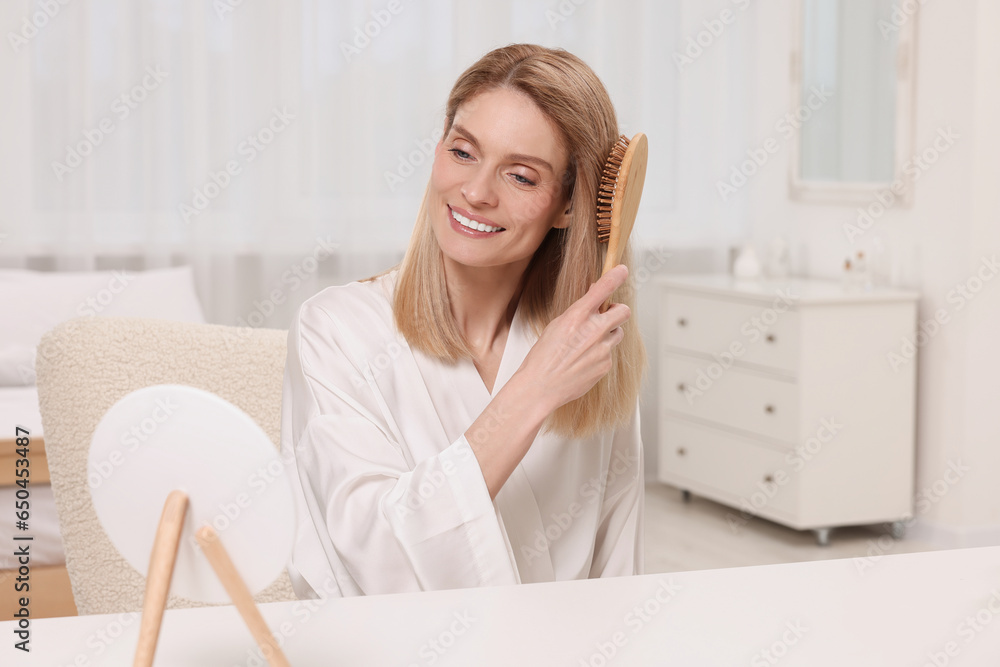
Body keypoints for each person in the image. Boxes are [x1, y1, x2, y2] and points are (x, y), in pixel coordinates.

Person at [279, 43, 647, 599]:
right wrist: (530, 393)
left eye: (521, 176)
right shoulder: (336, 332)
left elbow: (618, 575)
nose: (475, 193)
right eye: (463, 152)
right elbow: (372, 562)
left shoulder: (587, 350)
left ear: (569, 205)